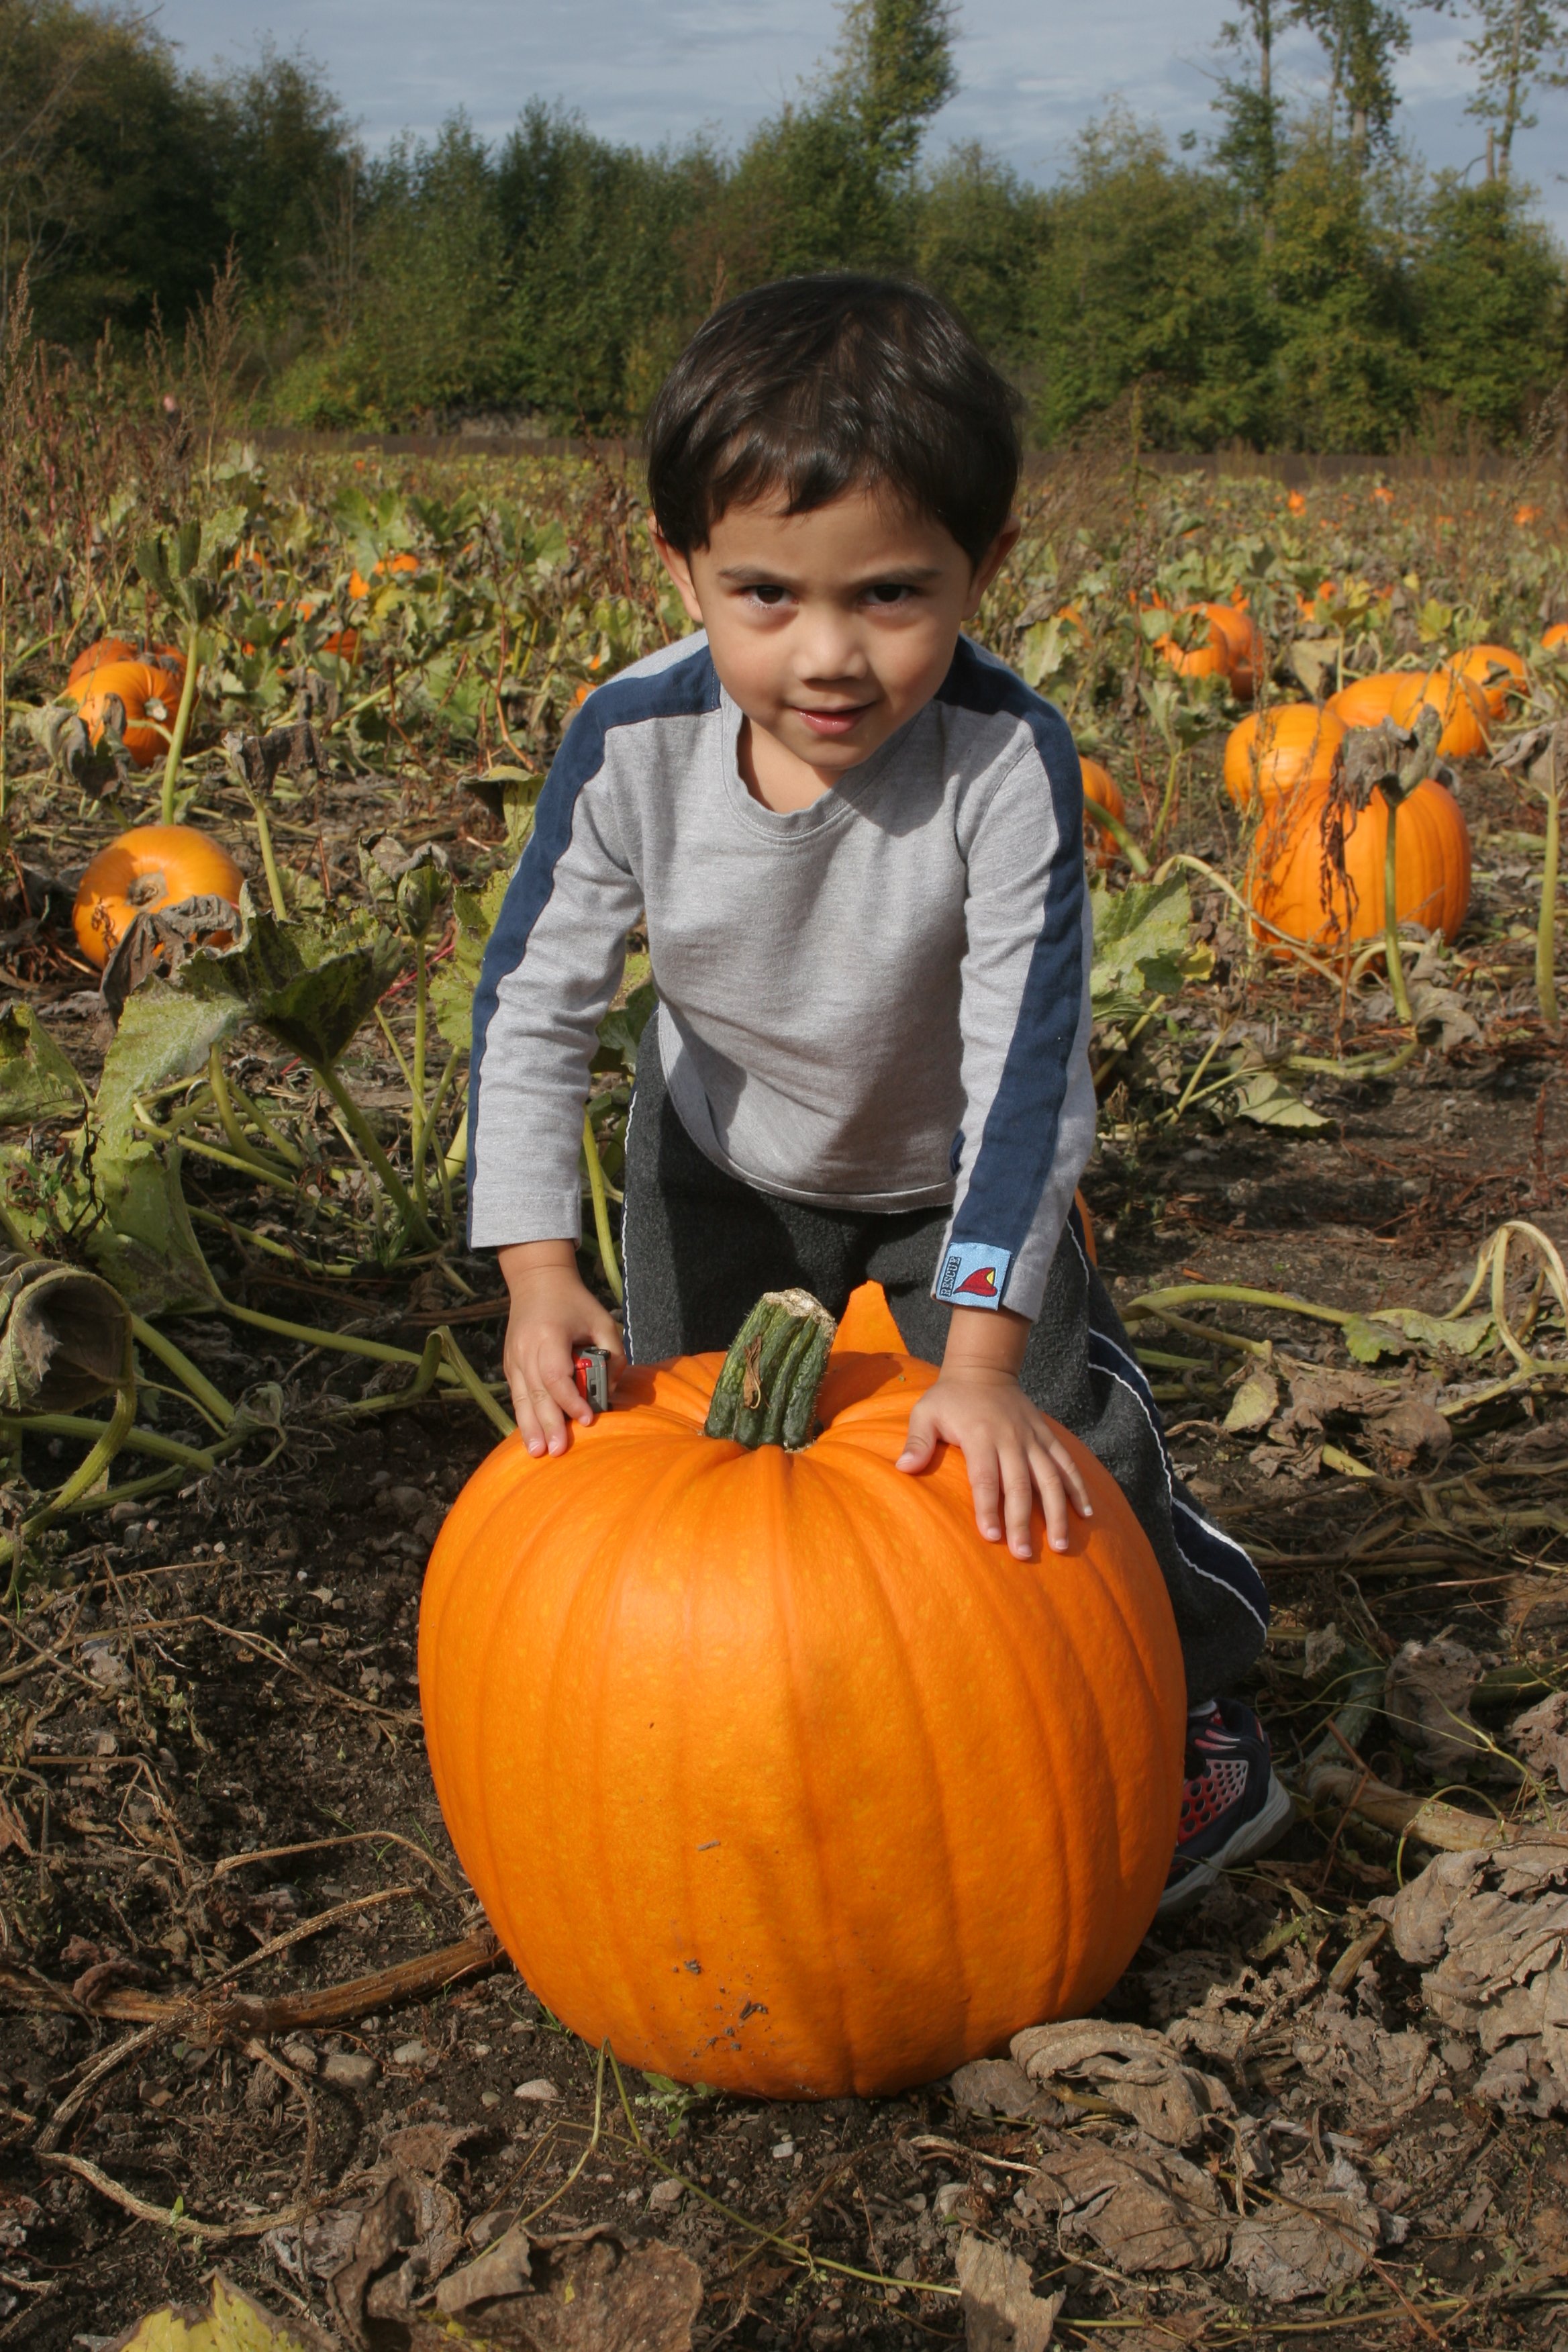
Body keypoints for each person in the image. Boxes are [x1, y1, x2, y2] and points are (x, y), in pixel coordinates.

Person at [468, 274, 1288, 1916]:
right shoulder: (628, 742)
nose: (828, 655)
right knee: (707, 1476)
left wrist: (978, 1360)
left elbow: (1026, 1070)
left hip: (948, 1177)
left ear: (983, 569)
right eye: (765, 594)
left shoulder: (1004, 762)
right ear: (683, 570)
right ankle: (760, 1763)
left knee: (1058, 1456)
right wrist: (536, 1271)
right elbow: (535, 1004)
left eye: (893, 595)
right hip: (720, 1156)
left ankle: (1195, 1705)